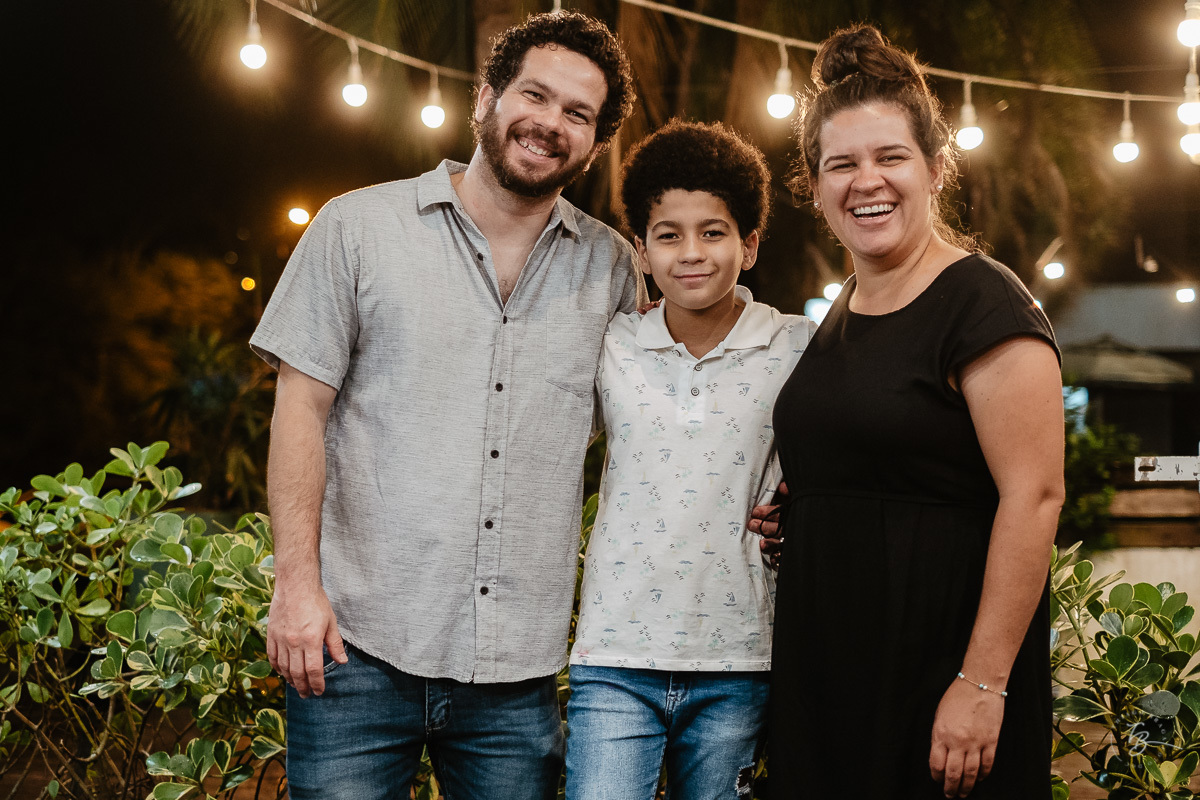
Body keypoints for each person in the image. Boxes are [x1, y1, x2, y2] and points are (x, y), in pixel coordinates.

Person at [249, 11, 645, 800]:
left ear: (595, 144)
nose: (550, 124)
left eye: (578, 114)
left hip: (517, 673)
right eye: (535, 95)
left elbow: (654, 430)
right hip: (353, 650)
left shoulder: (613, 270)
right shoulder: (358, 228)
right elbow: (301, 410)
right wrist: (294, 588)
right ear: (487, 98)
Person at [765, 25, 1064, 800]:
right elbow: (888, 454)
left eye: (890, 157)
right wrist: (808, 503)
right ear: (816, 182)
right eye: (842, 164)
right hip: (831, 672)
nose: (868, 181)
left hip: (939, 672)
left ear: (935, 169)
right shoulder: (843, 308)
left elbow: (1034, 497)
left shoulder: (983, 301)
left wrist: (983, 683)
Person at [564, 120, 817, 800]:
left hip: (739, 658)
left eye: (713, 231)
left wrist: (804, 503)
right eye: (668, 235)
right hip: (614, 655)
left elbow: (845, 453)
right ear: (641, 252)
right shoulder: (611, 342)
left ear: (751, 243)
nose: (691, 253)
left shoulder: (799, 346)